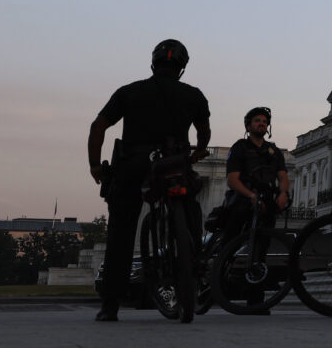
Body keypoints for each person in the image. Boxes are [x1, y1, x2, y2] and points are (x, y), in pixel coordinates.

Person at [87, 38, 210, 322]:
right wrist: (199, 151)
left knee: (121, 230)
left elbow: (98, 126)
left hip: (133, 162)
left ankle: (110, 304)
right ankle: (196, 260)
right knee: (191, 211)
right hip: (174, 162)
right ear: (182, 68)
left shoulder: (129, 91)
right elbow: (204, 133)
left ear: (153, 63)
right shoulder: (194, 95)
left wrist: (95, 165)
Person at [221, 106, 290, 313]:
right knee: (230, 245)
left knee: (260, 252)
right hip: (242, 199)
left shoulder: (273, 151)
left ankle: (256, 300)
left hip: (266, 202)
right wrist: (250, 195)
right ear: (248, 125)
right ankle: (217, 285)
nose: (261, 124)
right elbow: (232, 180)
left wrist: (283, 193)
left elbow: (283, 176)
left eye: (264, 121)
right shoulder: (240, 147)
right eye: (257, 121)